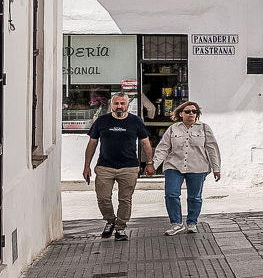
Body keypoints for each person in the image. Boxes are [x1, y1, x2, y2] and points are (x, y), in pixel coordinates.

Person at [82, 91, 151, 241]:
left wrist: (149, 163)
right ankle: (110, 221)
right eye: (116, 103)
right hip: (105, 167)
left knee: (125, 200)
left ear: (127, 104)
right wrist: (87, 166)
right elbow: (92, 144)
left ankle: (120, 228)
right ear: (111, 105)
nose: (119, 106)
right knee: (103, 198)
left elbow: (145, 143)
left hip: (129, 167)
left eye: (122, 103)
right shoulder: (102, 121)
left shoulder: (136, 121)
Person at [152, 101, 221, 236]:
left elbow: (212, 149)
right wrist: (153, 166)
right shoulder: (173, 129)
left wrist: (216, 168)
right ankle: (176, 224)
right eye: (188, 111)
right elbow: (163, 148)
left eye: (194, 112)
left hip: (198, 166)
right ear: (180, 113)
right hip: (174, 165)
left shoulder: (204, 128)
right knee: (171, 194)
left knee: (194, 197)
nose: (191, 114)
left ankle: (192, 223)